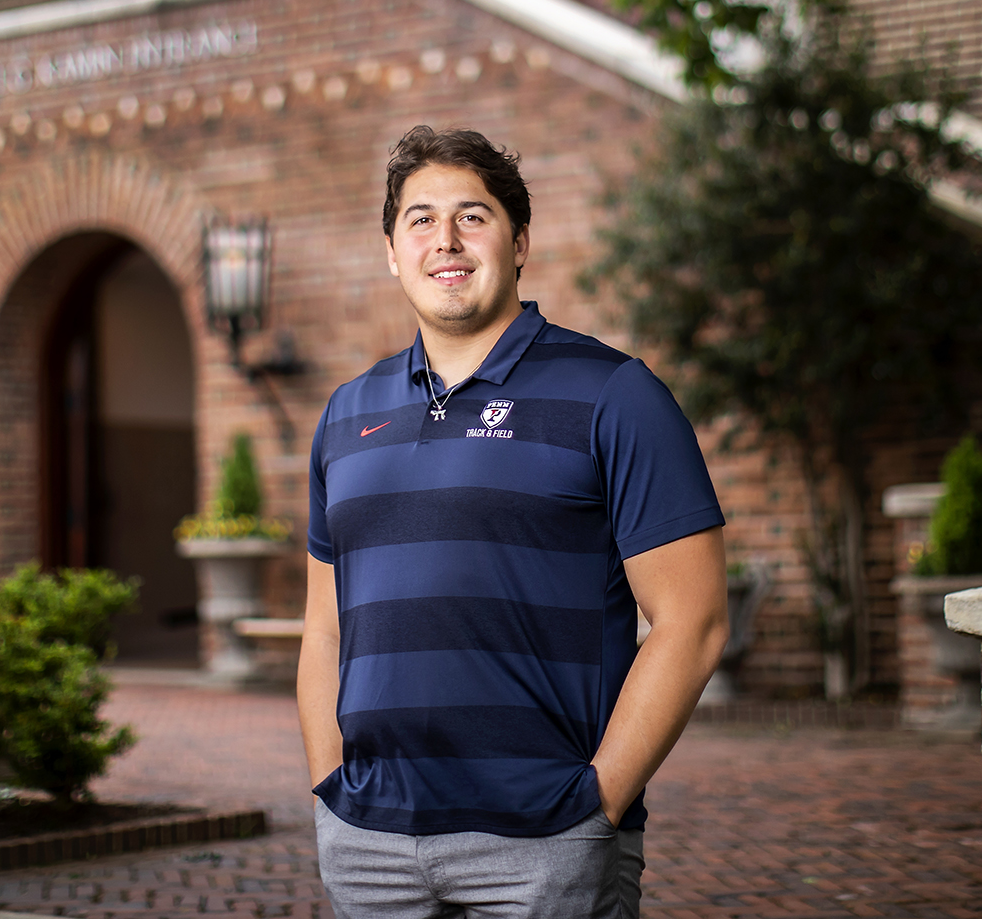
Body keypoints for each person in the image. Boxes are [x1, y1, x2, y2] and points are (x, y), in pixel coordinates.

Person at [300, 124, 730, 919]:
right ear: (391, 251)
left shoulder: (616, 393)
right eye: (419, 219)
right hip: (368, 841)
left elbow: (693, 619)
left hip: (545, 840)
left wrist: (595, 799)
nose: (445, 239)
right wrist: (331, 786)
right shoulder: (345, 413)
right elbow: (325, 628)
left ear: (520, 240)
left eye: (474, 215)